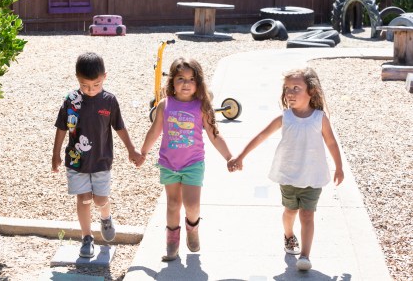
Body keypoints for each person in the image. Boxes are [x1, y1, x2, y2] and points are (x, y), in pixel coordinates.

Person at [228, 67, 344, 271]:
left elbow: (332, 143)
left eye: (296, 88)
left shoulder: (319, 118)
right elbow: (261, 136)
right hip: (289, 175)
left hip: (312, 176)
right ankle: (289, 235)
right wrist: (241, 156)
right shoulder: (285, 117)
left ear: (312, 92)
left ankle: (305, 256)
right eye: (287, 88)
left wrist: (339, 167)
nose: (290, 92)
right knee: (290, 210)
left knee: (307, 214)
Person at [137, 57, 234, 261]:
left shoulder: (201, 106)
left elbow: (214, 134)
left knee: (191, 205)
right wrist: (143, 152)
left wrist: (229, 156)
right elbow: (154, 131)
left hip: (193, 164)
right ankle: (172, 243)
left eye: (191, 79)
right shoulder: (165, 105)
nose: (186, 83)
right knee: (172, 204)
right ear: (172, 81)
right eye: (180, 78)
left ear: (198, 83)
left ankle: (193, 228)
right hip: (169, 164)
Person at [52, 52, 142, 258]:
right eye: (85, 85)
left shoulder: (109, 101)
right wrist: (55, 153)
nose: (90, 90)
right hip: (76, 160)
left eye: (96, 85)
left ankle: (106, 216)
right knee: (83, 199)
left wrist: (131, 148)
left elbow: (119, 126)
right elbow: (61, 128)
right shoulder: (71, 101)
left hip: (102, 160)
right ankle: (87, 237)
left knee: (100, 199)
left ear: (105, 77)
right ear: (77, 79)